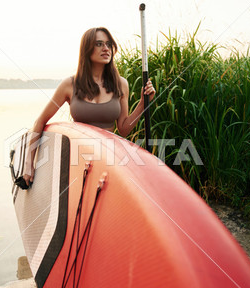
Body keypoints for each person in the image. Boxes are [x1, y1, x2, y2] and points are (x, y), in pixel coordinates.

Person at [22, 27, 155, 185]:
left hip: (108, 158)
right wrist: (29, 164)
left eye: (108, 44)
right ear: (87, 49)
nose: (106, 48)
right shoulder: (70, 85)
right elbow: (40, 121)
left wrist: (142, 103)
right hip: (78, 159)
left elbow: (124, 128)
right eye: (99, 44)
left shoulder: (121, 84)